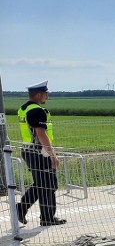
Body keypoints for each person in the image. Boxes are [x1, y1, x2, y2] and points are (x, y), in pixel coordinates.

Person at [16, 80, 66, 226]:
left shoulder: (24, 108)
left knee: (41, 183)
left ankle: (23, 207)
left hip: (28, 150)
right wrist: (52, 154)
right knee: (49, 185)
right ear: (39, 95)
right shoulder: (37, 111)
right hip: (39, 152)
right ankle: (47, 218)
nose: (47, 97)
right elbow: (41, 134)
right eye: (46, 94)